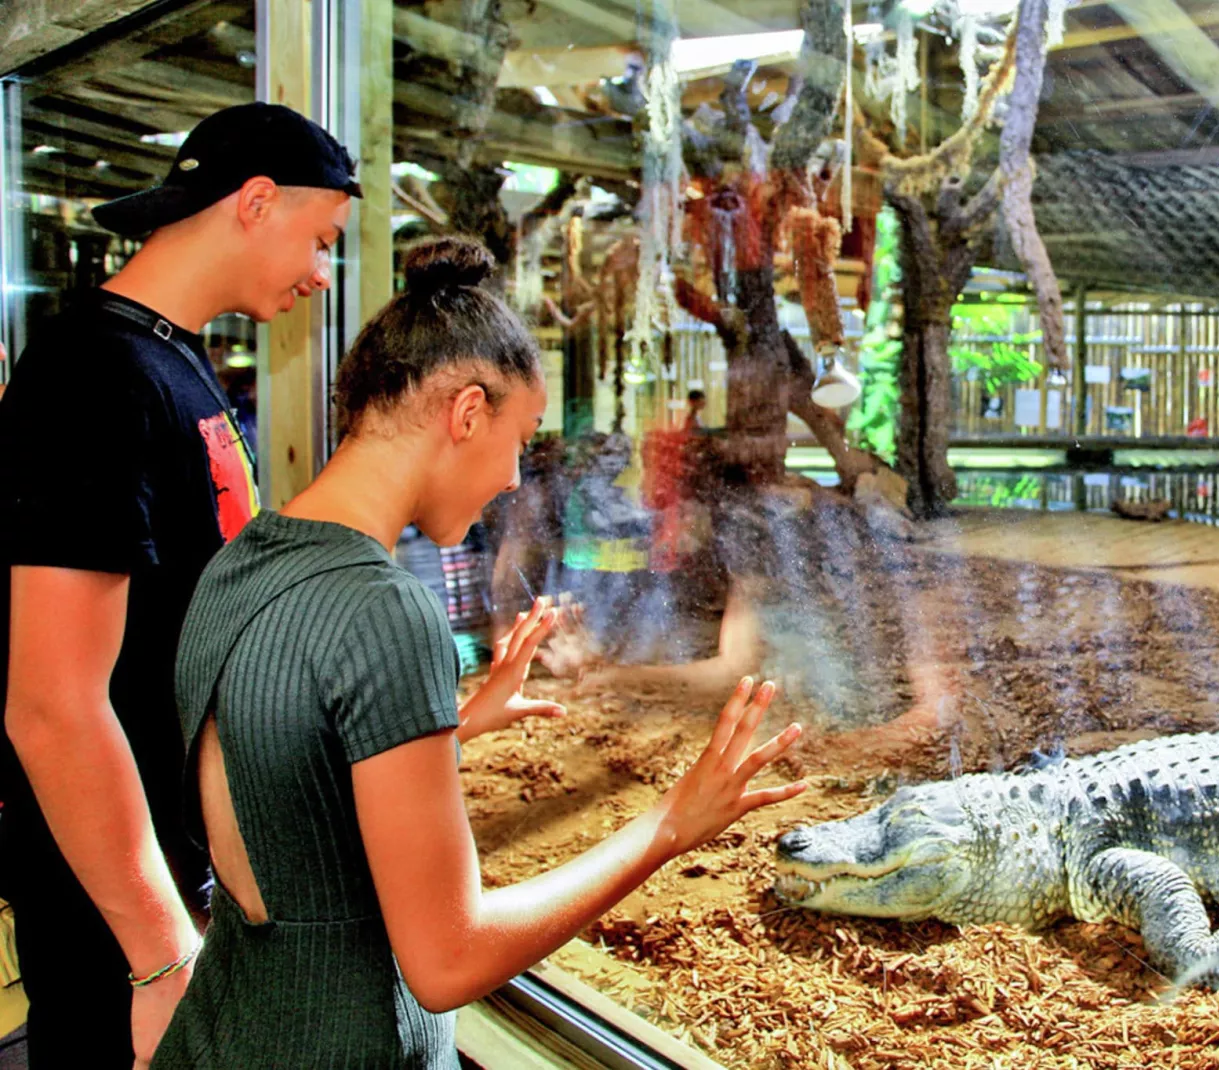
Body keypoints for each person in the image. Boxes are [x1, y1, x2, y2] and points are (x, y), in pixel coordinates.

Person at [153, 236, 806, 1068]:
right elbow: (447, 960)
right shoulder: (385, 610)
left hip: (220, 1032)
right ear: (466, 414)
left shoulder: (241, 561)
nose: (511, 478)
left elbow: (280, 776)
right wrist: (670, 825)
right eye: (519, 441)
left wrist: (450, 724)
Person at [0, 102, 361, 1070]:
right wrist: (160, 954)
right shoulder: (91, 370)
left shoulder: (173, 359)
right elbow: (51, 703)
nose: (323, 272)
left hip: (182, 878)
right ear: (254, 202)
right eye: (321, 238)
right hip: (114, 919)